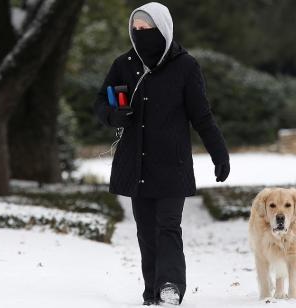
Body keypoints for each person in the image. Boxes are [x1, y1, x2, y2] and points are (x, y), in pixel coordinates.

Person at [93, 2, 230, 306]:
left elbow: (202, 116)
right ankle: (151, 291)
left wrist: (219, 154)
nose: (141, 34)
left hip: (172, 164)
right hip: (136, 164)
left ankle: (170, 286)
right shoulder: (124, 63)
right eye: (136, 29)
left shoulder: (185, 66)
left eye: (147, 28)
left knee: (168, 225)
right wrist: (114, 116)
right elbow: (100, 103)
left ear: (164, 29)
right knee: (145, 230)